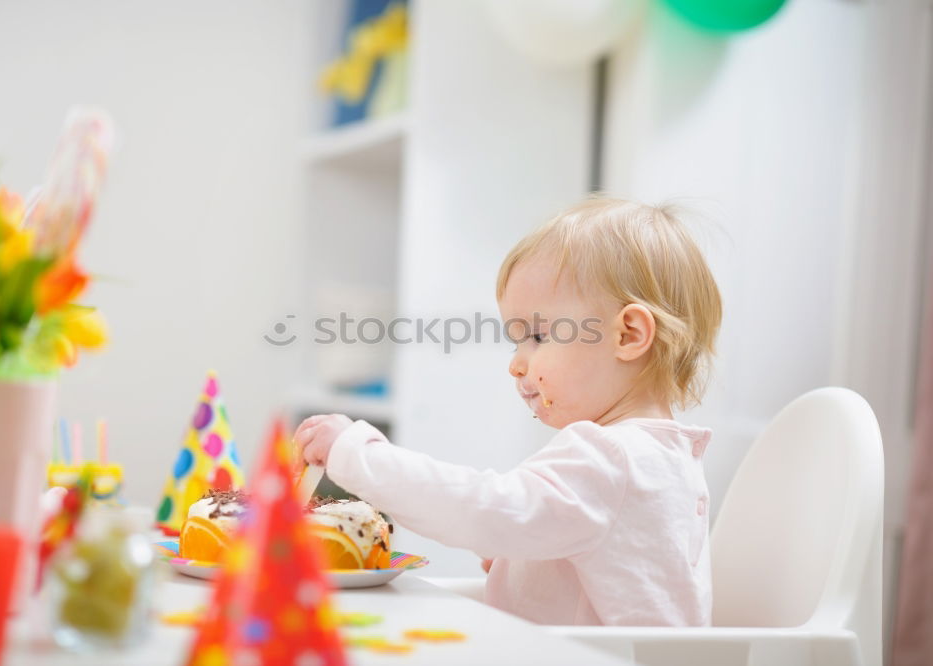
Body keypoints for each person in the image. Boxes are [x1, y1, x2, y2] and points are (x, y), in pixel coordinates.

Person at [294, 196, 723, 626]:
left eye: (537, 335)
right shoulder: (657, 459)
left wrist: (356, 454)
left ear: (628, 335)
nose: (517, 363)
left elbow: (481, 509)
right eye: (516, 341)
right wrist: (523, 557)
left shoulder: (612, 458)